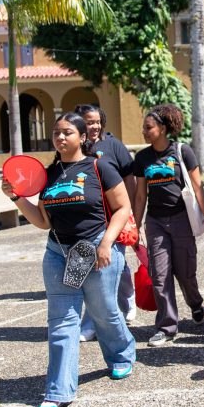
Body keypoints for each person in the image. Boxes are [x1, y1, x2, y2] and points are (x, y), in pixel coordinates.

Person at [1, 112, 135, 407]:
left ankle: (122, 353)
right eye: (56, 133)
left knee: (104, 313)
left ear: (82, 137)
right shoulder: (49, 175)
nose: (60, 138)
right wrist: (17, 199)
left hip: (96, 250)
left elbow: (122, 207)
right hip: (58, 253)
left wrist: (106, 244)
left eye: (67, 133)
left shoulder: (100, 167)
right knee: (62, 322)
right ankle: (58, 391)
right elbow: (42, 220)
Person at [132, 104, 204, 347]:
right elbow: (140, 196)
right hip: (155, 221)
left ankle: (195, 303)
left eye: (148, 127)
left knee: (185, 271)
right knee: (160, 275)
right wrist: (136, 226)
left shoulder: (182, 151)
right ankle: (167, 326)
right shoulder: (142, 158)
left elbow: (198, 188)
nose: (144, 132)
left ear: (163, 128)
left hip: (182, 219)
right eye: (144, 128)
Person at [75, 104, 138, 337]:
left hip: (113, 216)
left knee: (116, 265)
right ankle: (91, 322)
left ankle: (127, 300)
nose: (94, 126)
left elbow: (129, 177)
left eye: (97, 121)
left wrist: (129, 209)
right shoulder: (77, 146)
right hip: (86, 217)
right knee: (92, 269)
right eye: (89, 122)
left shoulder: (113, 145)